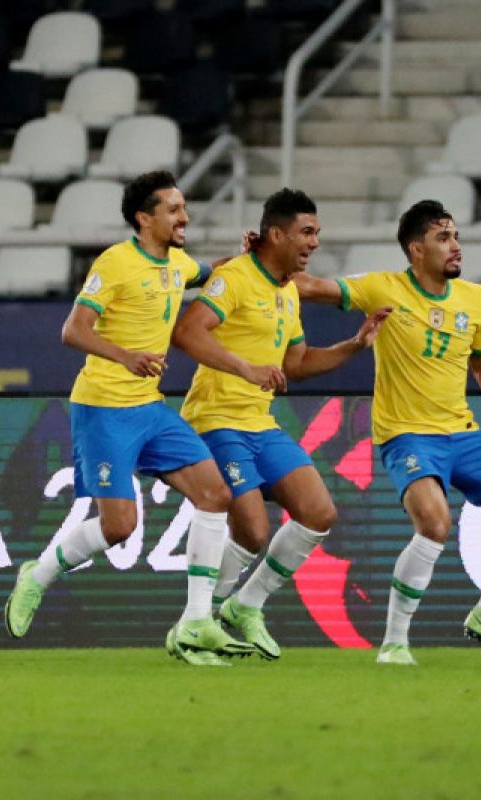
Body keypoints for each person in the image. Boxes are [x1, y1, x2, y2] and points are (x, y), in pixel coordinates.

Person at [3, 170, 254, 666]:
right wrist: (124, 356)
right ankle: (37, 575)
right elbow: (73, 330)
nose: (185, 216)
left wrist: (243, 258)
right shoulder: (115, 262)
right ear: (145, 218)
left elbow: (210, 271)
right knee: (118, 526)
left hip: (150, 409)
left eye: (184, 208)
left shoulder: (177, 263)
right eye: (174, 210)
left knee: (215, 494)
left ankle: (197, 623)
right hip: (104, 409)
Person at [295, 199, 481, 666]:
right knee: (435, 525)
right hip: (408, 436)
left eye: (457, 236)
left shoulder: (475, 298)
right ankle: (394, 642)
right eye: (444, 238)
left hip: (460, 433)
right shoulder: (384, 287)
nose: (456, 246)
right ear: (416, 249)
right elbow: (310, 286)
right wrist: (257, 264)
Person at [170, 189, 390, 661]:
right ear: (276, 234)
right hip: (215, 418)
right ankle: (196, 623)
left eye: (316, 233)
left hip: (259, 423)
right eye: (306, 232)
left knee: (319, 512)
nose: (314, 242)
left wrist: (354, 345)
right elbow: (187, 332)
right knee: (250, 529)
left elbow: (298, 362)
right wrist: (245, 369)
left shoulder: (288, 290)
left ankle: (243, 607)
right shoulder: (235, 278)